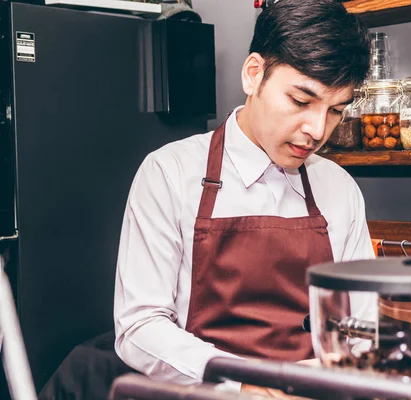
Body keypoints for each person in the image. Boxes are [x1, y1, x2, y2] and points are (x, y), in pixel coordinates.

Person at [113, 0, 375, 395]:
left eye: (336, 110)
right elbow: (139, 327)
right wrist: (246, 383)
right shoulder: (170, 173)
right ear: (254, 74)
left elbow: (364, 325)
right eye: (301, 101)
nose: (318, 130)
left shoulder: (339, 189)